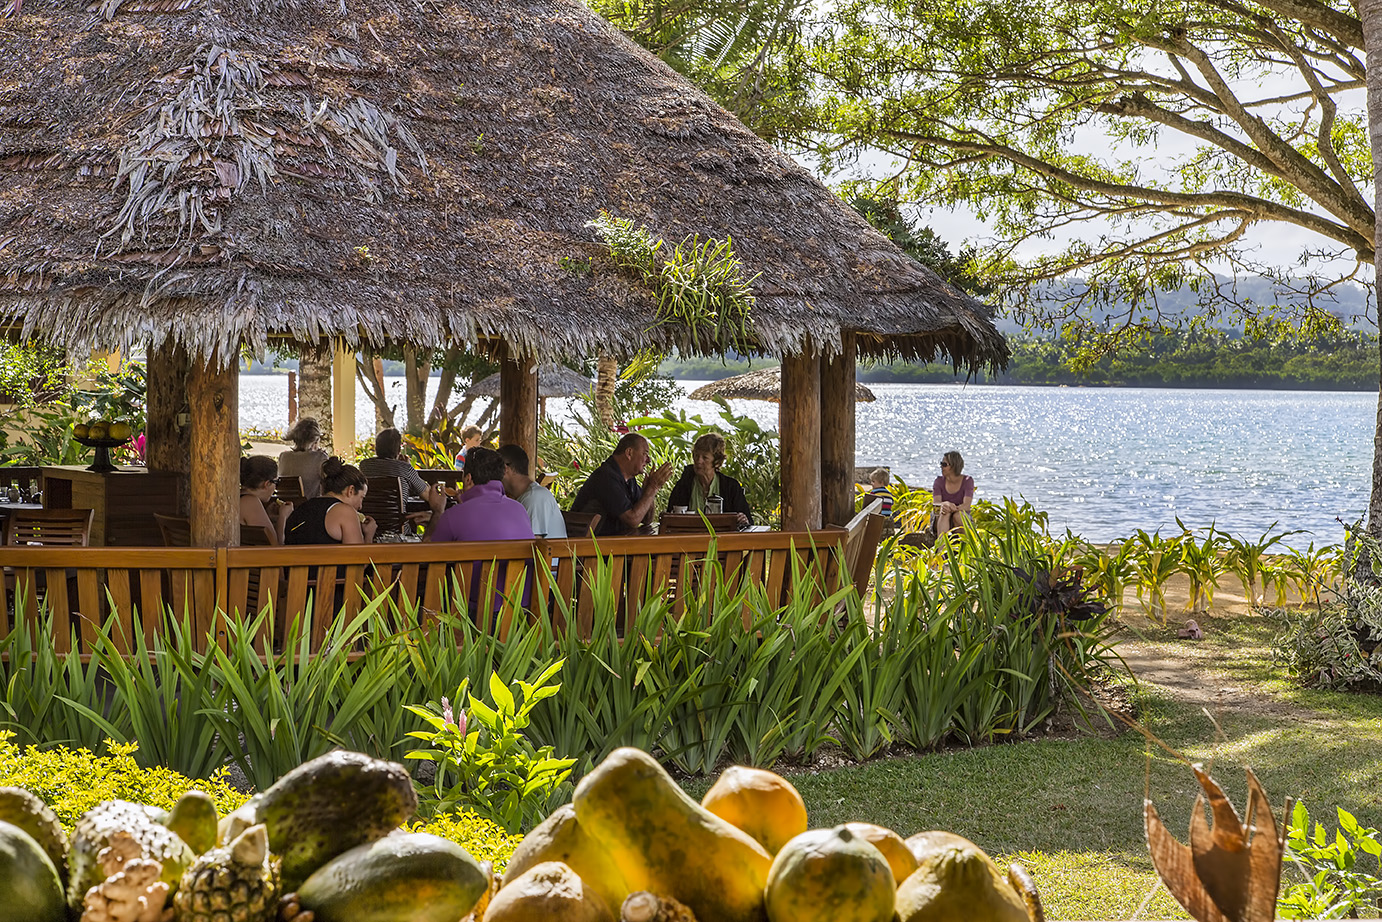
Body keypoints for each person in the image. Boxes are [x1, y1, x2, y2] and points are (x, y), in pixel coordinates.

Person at [570, 433, 674, 536]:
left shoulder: (629, 480)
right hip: (590, 548)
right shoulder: (606, 477)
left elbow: (646, 519)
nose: (649, 460)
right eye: (645, 454)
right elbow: (633, 520)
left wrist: (647, 491)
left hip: (614, 545)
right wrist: (653, 487)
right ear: (629, 453)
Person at [427, 446, 535, 542]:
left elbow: (426, 554)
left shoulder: (452, 516)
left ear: (468, 479)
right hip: (519, 566)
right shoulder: (519, 509)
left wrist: (437, 512)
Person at [666, 432, 752, 527]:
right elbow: (669, 517)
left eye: (705, 457)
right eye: (696, 455)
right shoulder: (684, 485)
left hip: (722, 540)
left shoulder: (731, 487)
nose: (699, 461)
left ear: (716, 462)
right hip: (689, 538)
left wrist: (742, 519)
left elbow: (747, 521)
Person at [285, 457, 377, 544]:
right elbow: (359, 557)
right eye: (362, 497)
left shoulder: (303, 507)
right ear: (351, 490)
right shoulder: (345, 512)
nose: (360, 506)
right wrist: (369, 535)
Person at [360, 427, 444, 504]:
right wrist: (408, 466)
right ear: (399, 450)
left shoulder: (364, 466)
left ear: (376, 448)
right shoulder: (405, 468)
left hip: (368, 518)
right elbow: (428, 496)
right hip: (396, 519)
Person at [498, 444, 566, 538]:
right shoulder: (528, 496)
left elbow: (532, 544)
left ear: (505, 469)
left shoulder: (534, 498)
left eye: (494, 469)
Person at [239, 455, 293, 545]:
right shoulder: (250, 502)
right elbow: (275, 547)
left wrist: (267, 515)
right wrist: (283, 517)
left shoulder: (237, 497)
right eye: (276, 482)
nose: (275, 487)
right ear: (267, 484)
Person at [279, 417, 328, 499]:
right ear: (316, 439)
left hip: (286, 505)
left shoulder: (284, 457)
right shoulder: (320, 458)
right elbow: (328, 484)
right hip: (310, 506)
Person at [932, 450, 974, 537]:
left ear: (954, 466)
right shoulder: (939, 481)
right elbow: (936, 503)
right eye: (941, 464)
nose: (941, 467)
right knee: (944, 513)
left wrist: (951, 507)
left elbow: (966, 505)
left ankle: (966, 545)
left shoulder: (967, 481)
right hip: (940, 516)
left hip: (959, 515)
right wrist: (945, 505)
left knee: (958, 516)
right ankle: (942, 548)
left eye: (944, 464)